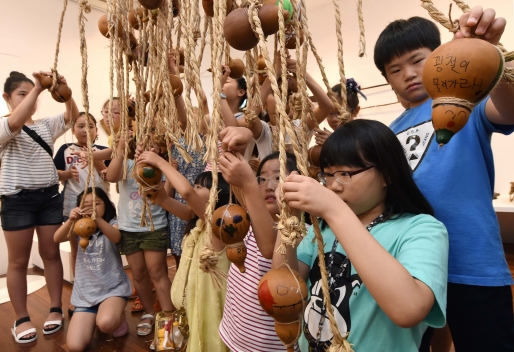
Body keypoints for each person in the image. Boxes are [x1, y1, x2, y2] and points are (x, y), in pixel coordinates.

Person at [373, 8, 514, 351]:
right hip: (412, 268)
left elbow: (508, 110)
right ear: (388, 80)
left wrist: (492, 56)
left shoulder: (469, 101)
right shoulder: (389, 132)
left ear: (438, 58)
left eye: (417, 60)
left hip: (473, 263)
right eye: (395, 69)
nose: (408, 74)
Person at [276, 119, 448, 351]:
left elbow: (409, 309)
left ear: (387, 174)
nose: (333, 186)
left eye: (345, 173)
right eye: (327, 175)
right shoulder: (324, 230)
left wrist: (333, 209)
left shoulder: (422, 229)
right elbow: (284, 285)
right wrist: (289, 216)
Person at [137, 127, 254, 352]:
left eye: (202, 186)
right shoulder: (197, 222)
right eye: (197, 184)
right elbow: (163, 198)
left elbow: (188, 194)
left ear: (217, 196)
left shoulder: (217, 225)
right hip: (194, 301)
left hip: (210, 305)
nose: (194, 188)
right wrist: (150, 173)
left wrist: (159, 163)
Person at [0, 71, 79, 343]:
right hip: (18, 201)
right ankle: (21, 318)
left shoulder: (44, 126)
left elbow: (71, 117)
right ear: (7, 98)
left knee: (51, 254)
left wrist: (66, 92)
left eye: (31, 93)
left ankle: (54, 308)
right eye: (22, 93)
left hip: (50, 198)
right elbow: (15, 122)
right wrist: (39, 87)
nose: (30, 98)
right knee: (18, 262)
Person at [218, 151, 302, 351]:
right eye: (261, 179)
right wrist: (240, 138)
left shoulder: (297, 233)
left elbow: (274, 259)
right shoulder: (249, 215)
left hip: (268, 345)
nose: (269, 185)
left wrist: (289, 213)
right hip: (236, 332)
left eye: (278, 178)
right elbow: (231, 163)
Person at [105, 129, 173, 338]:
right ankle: (150, 313)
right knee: (139, 273)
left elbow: (167, 195)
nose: (146, 142)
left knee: (157, 272)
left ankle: (169, 317)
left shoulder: (160, 164)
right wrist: (120, 148)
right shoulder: (125, 164)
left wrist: (162, 167)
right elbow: (111, 176)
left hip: (154, 226)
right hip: (128, 228)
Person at [54, 187, 131, 351]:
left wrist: (97, 220)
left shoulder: (112, 223)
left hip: (112, 290)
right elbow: (57, 238)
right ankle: (99, 314)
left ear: (106, 205)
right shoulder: (79, 227)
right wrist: (70, 220)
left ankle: (117, 315)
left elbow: (116, 237)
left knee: (105, 324)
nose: (91, 207)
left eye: (96, 203)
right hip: (86, 295)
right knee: (75, 346)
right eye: (86, 205)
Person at [53, 112, 109, 316]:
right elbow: (54, 172)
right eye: (81, 126)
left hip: (102, 209)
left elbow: (109, 177)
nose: (86, 130)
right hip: (74, 209)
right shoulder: (65, 150)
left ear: (96, 130)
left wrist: (93, 157)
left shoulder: (104, 151)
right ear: (73, 129)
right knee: (78, 252)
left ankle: (106, 291)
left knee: (105, 250)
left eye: (91, 126)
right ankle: (79, 294)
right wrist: (67, 174)